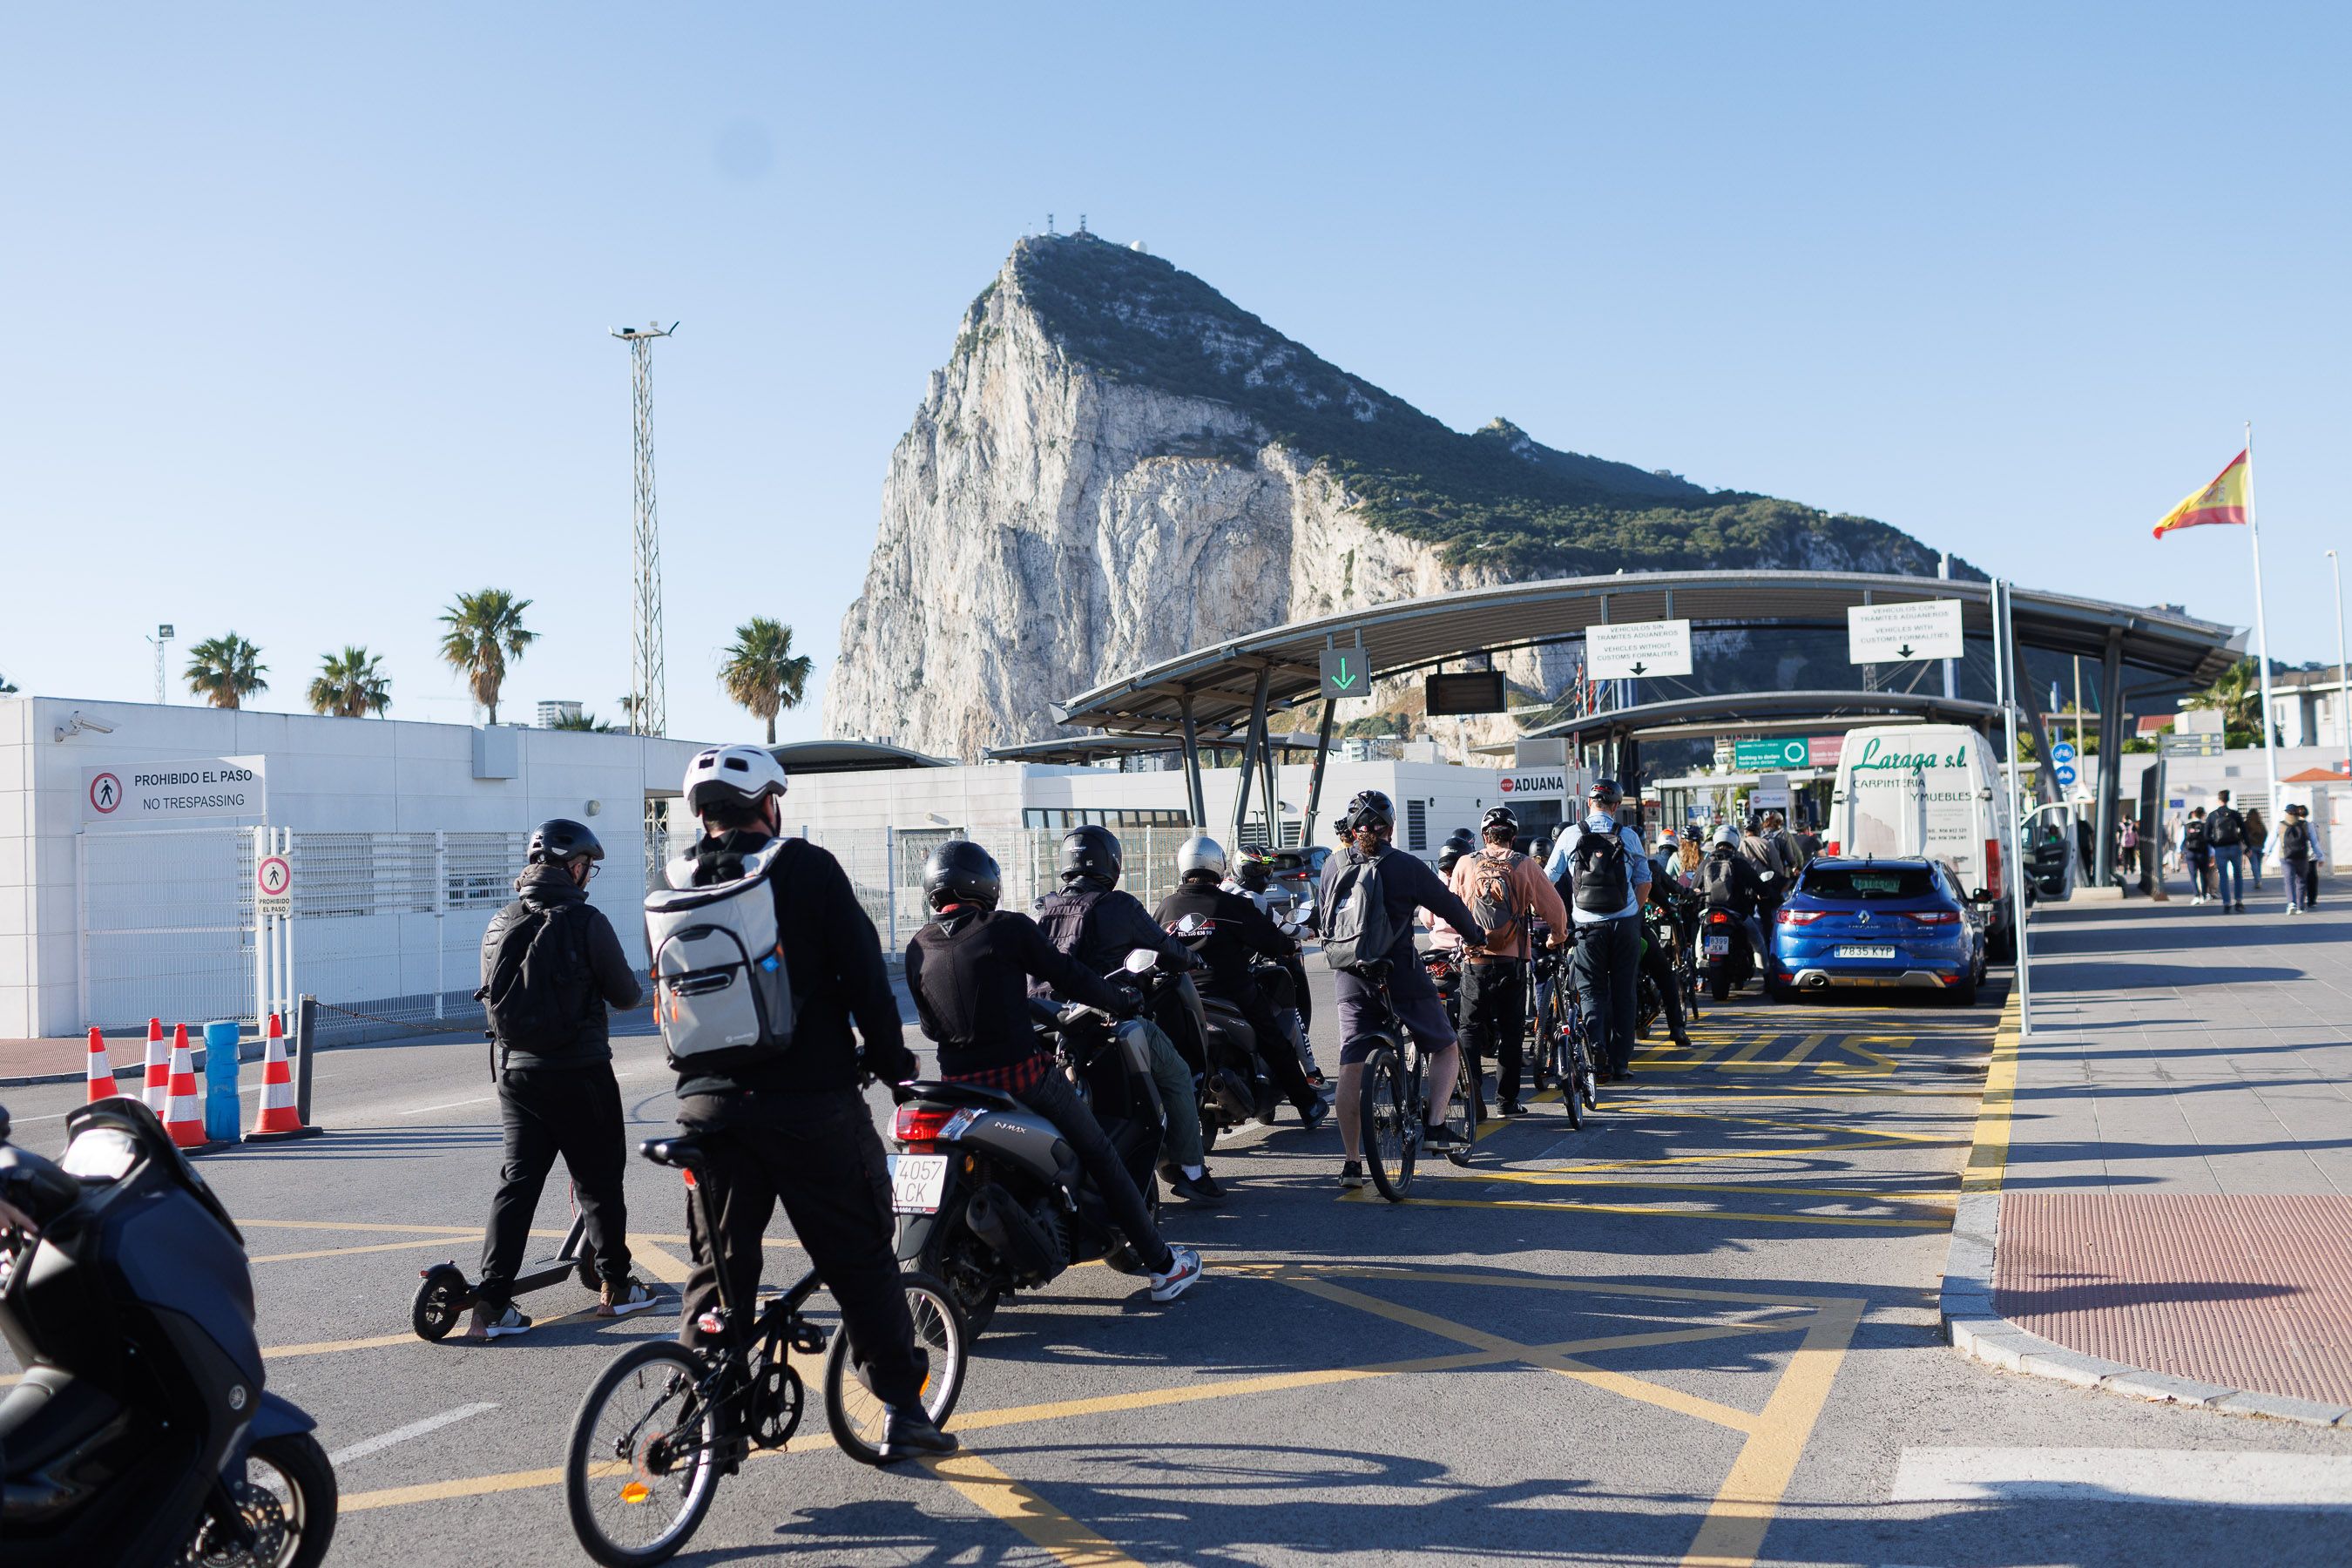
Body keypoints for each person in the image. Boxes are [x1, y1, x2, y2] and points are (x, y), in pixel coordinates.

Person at [662, 745, 953, 1463]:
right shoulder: (807, 868)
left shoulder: (675, 883)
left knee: (719, 1270)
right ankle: (903, 1411)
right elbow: (865, 982)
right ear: (769, 805)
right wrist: (893, 1066)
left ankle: (711, 1421)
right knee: (861, 1257)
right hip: (809, 1105)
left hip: (706, 1108)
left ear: (703, 816)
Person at [905, 839, 1203, 1302]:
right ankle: (1164, 1267)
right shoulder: (1007, 928)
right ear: (985, 884)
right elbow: (1070, 976)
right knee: (1100, 1152)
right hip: (1021, 1078)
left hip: (955, 1088)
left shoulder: (918, 945)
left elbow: (931, 1025)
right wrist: (1120, 999)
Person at [468, 818, 654, 1339]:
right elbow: (626, 996)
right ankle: (616, 1286)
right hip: (580, 1073)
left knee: (517, 1184)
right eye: (587, 867)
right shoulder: (587, 921)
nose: (588, 875)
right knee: (599, 1181)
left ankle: (492, 1304)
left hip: (516, 1073)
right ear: (573, 867)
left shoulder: (499, 921)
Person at [1031, 825, 1225, 1206]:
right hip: (1106, 1020)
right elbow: (1164, 946)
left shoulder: (1043, 908)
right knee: (1176, 1074)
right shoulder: (1119, 906)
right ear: (1111, 863)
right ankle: (1192, 1172)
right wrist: (1192, 958)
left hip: (1046, 1023)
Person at [1321, 789, 1488, 1189]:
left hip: (1350, 976)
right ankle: (1435, 1126)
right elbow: (1448, 905)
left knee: (1351, 1065)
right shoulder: (1405, 866)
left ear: (1353, 830)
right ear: (1390, 828)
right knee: (1445, 1045)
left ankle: (1351, 1163)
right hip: (1399, 974)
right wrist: (1475, 935)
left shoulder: (1332, 864)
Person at [1153, 835, 1328, 1132]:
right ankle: (1308, 1105)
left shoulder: (1165, 907)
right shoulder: (1231, 904)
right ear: (1218, 865)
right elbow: (1271, 939)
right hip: (1229, 991)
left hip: (1179, 997)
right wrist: (1288, 947)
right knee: (1274, 1040)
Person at [1450, 808, 1570, 1117]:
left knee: (1469, 1029)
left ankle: (1473, 1094)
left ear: (1484, 836)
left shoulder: (1466, 863)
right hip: (1511, 961)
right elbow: (1554, 908)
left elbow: (1449, 908)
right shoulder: (1524, 865)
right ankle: (1506, 1101)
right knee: (1511, 1031)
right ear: (1513, 837)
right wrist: (1557, 936)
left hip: (1475, 960)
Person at [1544, 780, 1652, 1084]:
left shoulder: (1570, 835)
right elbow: (1644, 882)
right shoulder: (1628, 836)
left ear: (1588, 804)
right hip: (1624, 923)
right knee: (1624, 992)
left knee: (1591, 991)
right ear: (1616, 806)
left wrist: (1555, 918)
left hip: (1586, 926)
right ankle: (1620, 1064)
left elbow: (1547, 879)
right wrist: (1632, 913)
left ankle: (1596, 1057)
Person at [1225, 847, 1319, 1080]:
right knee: (1290, 1011)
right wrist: (1306, 933)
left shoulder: (1219, 891)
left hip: (1207, 973)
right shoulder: (1252, 898)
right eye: (1255, 870)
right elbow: (1281, 926)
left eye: (1265, 870)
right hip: (1241, 972)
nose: (1262, 877)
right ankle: (1311, 1072)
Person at [1696, 824, 1773, 977]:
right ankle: (1766, 978)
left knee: (1699, 941)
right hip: (1737, 912)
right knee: (1758, 942)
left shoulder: (1706, 863)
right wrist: (1764, 893)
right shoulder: (1739, 863)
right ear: (1735, 841)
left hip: (1709, 912)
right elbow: (1758, 885)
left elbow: (1693, 887)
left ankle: (1700, 973)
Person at [2206, 791, 2248, 911]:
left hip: (2220, 848)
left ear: (2218, 800)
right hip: (2235, 847)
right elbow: (2244, 831)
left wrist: (2215, 845)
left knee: (2223, 876)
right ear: (2228, 800)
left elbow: (2206, 835)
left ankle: (2227, 903)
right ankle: (2239, 901)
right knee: (2238, 875)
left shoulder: (2213, 815)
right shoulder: (2235, 814)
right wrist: (2247, 847)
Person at [2280, 802, 2315, 915]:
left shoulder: (2281, 824)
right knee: (2301, 881)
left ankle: (2291, 903)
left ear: (2286, 813)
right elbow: (2313, 840)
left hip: (2285, 856)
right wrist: (2319, 855)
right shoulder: (2305, 824)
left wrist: (2267, 851)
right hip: (2302, 856)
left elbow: (2271, 840)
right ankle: (2300, 907)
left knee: (2289, 880)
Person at [2180, 807, 2213, 904]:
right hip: (2203, 853)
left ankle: (2196, 896)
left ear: (2194, 814)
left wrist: (2182, 852)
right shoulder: (2205, 825)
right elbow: (2210, 842)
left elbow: (2181, 841)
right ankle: (2204, 895)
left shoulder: (2186, 826)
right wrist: (2212, 855)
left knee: (2193, 875)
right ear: (2203, 815)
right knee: (2203, 875)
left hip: (2190, 853)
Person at [2245, 808, 2268, 889]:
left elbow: (2242, 835)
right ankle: (2259, 880)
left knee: (2254, 864)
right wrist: (2262, 843)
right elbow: (2265, 834)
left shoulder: (2246, 824)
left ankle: (2257, 880)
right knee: (2258, 864)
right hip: (2260, 847)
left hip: (2251, 847)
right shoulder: (2260, 823)